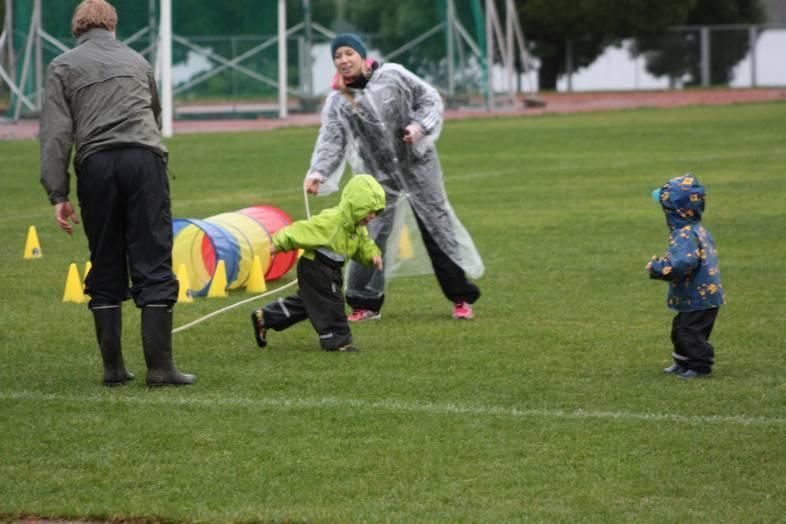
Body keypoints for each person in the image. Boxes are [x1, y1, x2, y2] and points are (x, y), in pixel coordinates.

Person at [39, 0, 195, 387]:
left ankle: (113, 369)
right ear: (112, 26)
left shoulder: (61, 66)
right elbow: (154, 115)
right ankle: (160, 369)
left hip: (96, 165)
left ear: (78, 29)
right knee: (152, 256)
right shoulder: (138, 61)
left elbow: (55, 135)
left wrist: (58, 193)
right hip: (143, 160)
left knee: (105, 257)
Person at [303, 33, 483, 321]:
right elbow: (331, 140)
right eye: (338, 56)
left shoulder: (393, 76)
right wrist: (318, 173)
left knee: (437, 225)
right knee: (370, 233)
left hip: (419, 166)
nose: (343, 59)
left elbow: (430, 99)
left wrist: (419, 127)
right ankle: (365, 303)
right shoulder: (339, 99)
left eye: (349, 53)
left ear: (361, 55)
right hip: (377, 174)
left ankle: (461, 297)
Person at [251, 174, 385, 352]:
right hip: (316, 267)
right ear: (355, 205)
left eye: (376, 212)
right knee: (332, 303)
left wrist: (372, 256)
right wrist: (278, 244)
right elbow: (301, 230)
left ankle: (265, 317)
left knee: (311, 303)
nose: (372, 216)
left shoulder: (356, 229)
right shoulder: (331, 221)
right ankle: (338, 341)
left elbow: (363, 246)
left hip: (331, 269)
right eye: (369, 210)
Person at [646, 174, 725, 379]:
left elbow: (683, 264)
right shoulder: (695, 229)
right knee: (681, 329)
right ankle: (682, 362)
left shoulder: (685, 234)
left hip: (699, 296)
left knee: (690, 332)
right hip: (701, 295)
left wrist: (658, 267)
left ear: (673, 209)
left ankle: (700, 366)